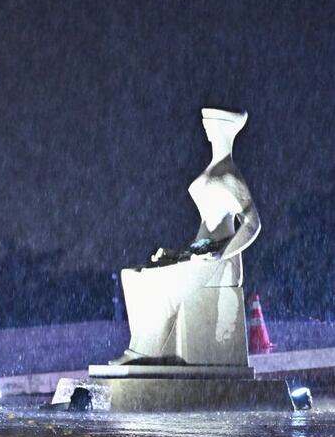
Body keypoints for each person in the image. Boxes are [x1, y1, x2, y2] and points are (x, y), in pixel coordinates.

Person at [111, 107, 260, 367]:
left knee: (161, 288)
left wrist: (221, 254)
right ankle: (139, 348)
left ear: (224, 128)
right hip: (199, 252)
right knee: (132, 276)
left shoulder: (229, 175)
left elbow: (252, 224)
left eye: (210, 124)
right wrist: (177, 254)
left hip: (217, 259)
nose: (205, 127)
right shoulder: (214, 170)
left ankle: (145, 355)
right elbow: (205, 225)